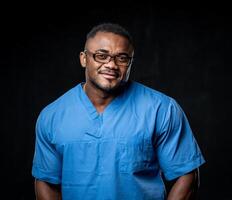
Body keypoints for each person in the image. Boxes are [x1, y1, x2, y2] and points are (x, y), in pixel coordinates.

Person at [32, 22, 205, 200]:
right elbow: (46, 182)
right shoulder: (52, 116)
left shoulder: (161, 109)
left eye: (122, 58)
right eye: (101, 56)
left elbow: (187, 176)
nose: (111, 65)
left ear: (130, 62)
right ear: (84, 59)